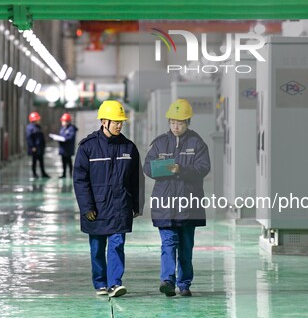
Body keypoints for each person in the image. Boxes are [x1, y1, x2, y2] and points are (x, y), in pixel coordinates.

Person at [73, 100, 144, 298]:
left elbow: (136, 179)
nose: (119, 125)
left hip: (120, 207)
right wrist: (87, 207)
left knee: (117, 245)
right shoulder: (88, 148)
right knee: (97, 249)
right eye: (115, 122)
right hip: (96, 209)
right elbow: (80, 180)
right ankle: (100, 283)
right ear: (104, 121)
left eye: (121, 122)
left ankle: (115, 283)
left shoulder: (129, 148)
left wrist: (137, 205)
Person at [143, 99, 211, 297]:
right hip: (164, 203)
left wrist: (182, 170)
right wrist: (161, 169)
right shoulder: (160, 143)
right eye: (172, 122)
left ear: (188, 122)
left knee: (185, 246)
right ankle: (168, 281)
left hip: (188, 204)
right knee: (168, 242)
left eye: (180, 123)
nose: (175, 126)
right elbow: (147, 167)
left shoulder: (197, 143)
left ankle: (184, 283)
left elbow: (203, 168)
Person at [26, 111, 50, 179]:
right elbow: (29, 138)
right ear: (34, 120)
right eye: (38, 119)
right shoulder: (30, 128)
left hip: (40, 147)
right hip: (35, 148)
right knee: (34, 161)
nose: (39, 120)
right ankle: (34, 173)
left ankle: (43, 173)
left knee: (41, 161)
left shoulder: (38, 127)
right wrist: (32, 146)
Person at [56, 112, 77, 178]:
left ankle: (71, 174)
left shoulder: (71, 129)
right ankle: (64, 173)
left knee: (69, 161)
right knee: (63, 161)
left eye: (63, 121)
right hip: (63, 148)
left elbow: (70, 137)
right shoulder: (63, 128)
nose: (62, 122)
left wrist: (64, 139)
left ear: (68, 121)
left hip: (68, 148)